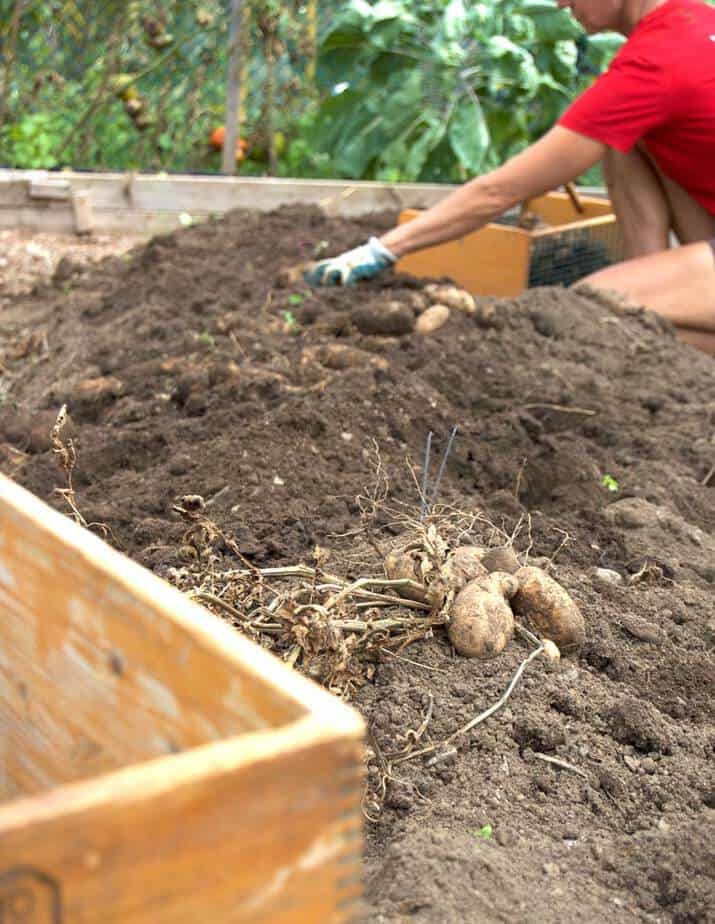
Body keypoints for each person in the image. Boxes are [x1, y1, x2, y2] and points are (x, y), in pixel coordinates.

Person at [305, 0, 715, 356]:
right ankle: (655, 291)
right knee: (620, 140)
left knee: (592, 314)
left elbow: (500, 191)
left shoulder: (656, 61)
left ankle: (654, 322)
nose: (558, 3)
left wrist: (380, 250)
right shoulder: (695, 21)